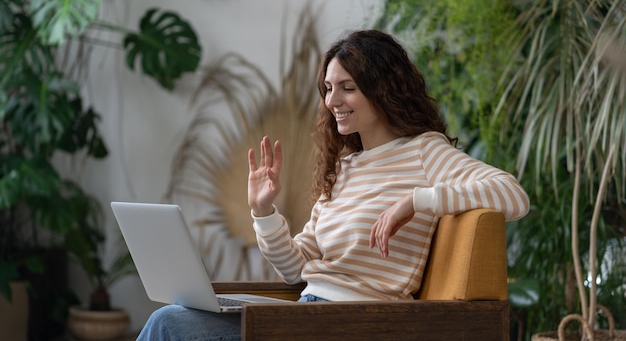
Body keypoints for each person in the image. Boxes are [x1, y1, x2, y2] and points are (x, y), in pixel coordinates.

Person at [136, 29, 530, 340]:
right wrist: (264, 212)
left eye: (347, 87)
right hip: (307, 313)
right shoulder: (344, 168)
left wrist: (416, 201)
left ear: (382, 88)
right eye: (328, 88)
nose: (332, 100)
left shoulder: (423, 152)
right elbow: (296, 269)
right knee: (175, 318)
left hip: (349, 324)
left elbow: (511, 193)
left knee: (168, 324)